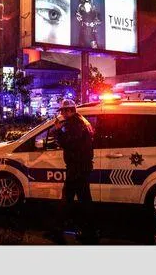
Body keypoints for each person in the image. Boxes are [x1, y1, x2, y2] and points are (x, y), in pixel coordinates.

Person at [52, 99, 96, 242]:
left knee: (69, 198)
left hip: (77, 168)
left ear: (70, 110)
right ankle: (88, 230)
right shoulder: (82, 121)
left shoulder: (74, 124)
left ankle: (60, 230)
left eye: (63, 111)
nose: (62, 114)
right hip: (82, 166)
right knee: (82, 199)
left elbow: (68, 143)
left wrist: (58, 131)